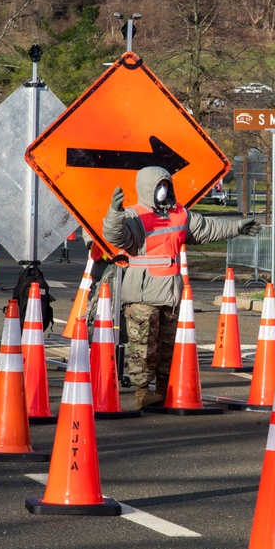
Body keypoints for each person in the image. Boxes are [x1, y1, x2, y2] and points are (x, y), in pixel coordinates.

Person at [104, 166, 260, 409]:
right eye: (159, 186)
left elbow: (208, 228)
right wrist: (114, 213)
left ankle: (166, 390)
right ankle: (143, 393)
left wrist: (238, 227)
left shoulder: (179, 214)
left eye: (166, 185)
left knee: (168, 346)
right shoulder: (134, 216)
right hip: (143, 295)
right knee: (143, 348)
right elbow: (116, 236)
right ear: (148, 188)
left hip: (170, 293)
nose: (163, 190)